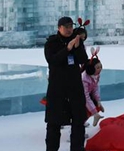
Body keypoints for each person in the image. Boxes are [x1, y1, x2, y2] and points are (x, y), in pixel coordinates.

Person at [44, 16, 89, 151]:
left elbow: (83, 60)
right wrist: (67, 49)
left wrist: (77, 47)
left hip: (74, 88)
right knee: (54, 123)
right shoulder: (51, 43)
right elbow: (53, 60)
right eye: (66, 27)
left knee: (78, 122)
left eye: (71, 26)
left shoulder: (76, 41)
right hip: (57, 89)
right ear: (59, 28)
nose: (69, 29)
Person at [83, 47, 105, 127]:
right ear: (91, 69)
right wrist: (94, 112)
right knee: (81, 112)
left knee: (92, 106)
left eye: (100, 67)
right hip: (77, 97)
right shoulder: (84, 80)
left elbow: (95, 88)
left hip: (86, 96)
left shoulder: (95, 76)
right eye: (97, 67)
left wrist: (98, 100)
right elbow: (85, 96)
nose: (100, 69)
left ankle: (83, 122)